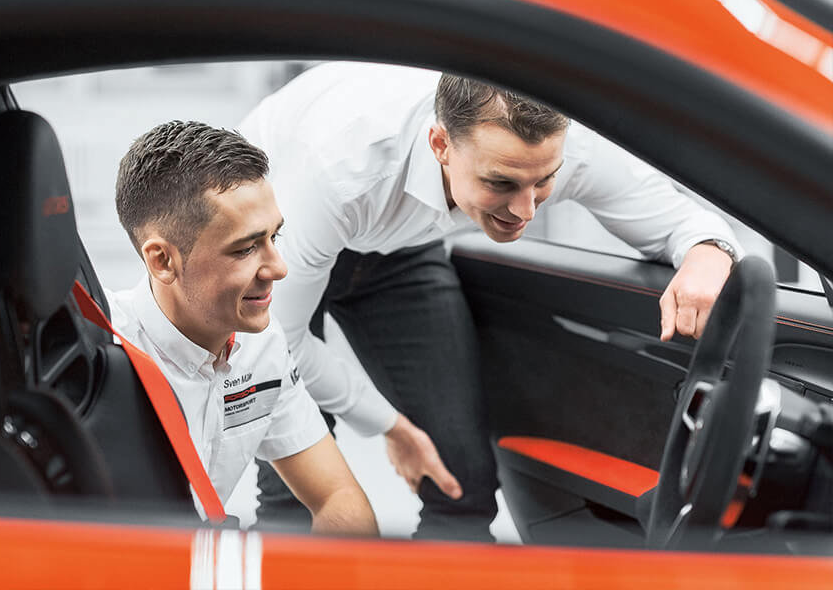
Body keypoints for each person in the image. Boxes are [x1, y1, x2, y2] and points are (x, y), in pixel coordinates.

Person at [237, 62, 741, 541]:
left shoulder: (564, 147)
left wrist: (708, 254)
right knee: (299, 487)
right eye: (501, 183)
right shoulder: (337, 169)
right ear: (441, 145)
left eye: (544, 182)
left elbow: (683, 222)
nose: (525, 211)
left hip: (398, 252)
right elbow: (278, 342)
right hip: (279, 244)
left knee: (463, 484)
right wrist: (391, 425)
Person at [108, 120, 378, 535]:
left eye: (274, 237)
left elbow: (337, 496)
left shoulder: (262, 346)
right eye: (246, 249)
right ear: (162, 261)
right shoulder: (100, 353)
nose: (278, 268)